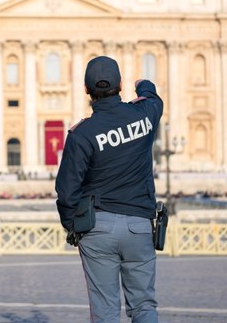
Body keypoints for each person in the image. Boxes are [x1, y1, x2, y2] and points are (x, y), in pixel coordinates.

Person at [56, 56, 163, 323]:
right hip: (139, 223)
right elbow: (153, 99)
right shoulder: (144, 115)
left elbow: (66, 189)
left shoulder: (83, 133)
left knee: (105, 310)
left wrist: (73, 225)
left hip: (97, 227)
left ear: (86, 90)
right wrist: (144, 84)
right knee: (144, 306)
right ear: (121, 85)